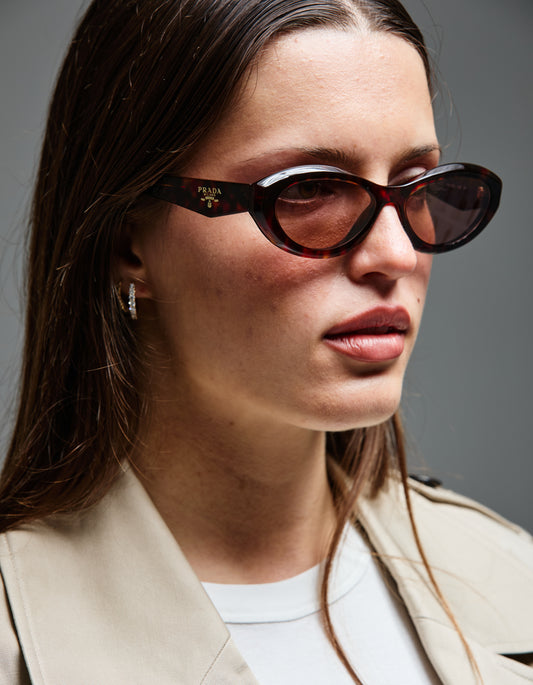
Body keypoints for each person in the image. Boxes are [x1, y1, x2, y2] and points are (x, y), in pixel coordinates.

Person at [0, 0, 531, 683]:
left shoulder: (511, 579)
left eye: (415, 186)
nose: (397, 255)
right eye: (308, 190)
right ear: (129, 241)